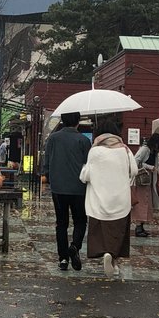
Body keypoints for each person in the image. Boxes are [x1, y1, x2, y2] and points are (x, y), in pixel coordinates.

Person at [79, 116, 138, 278]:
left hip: (99, 199)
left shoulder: (95, 150)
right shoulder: (125, 150)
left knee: (100, 229)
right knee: (118, 229)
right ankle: (113, 259)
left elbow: (86, 176)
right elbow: (134, 171)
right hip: (121, 198)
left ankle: (105, 252)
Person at [40, 111, 90, 271]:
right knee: (80, 221)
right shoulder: (84, 140)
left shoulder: (53, 138)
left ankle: (63, 259)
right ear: (78, 122)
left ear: (62, 121)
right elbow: (88, 164)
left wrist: (50, 177)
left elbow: (46, 161)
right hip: (79, 188)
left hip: (58, 187)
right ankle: (74, 246)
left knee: (61, 224)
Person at [132, 133, 159, 237]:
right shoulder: (145, 149)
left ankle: (141, 226)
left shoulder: (152, 151)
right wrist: (149, 167)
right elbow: (136, 160)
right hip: (142, 180)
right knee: (141, 203)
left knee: (146, 203)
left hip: (147, 180)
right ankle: (138, 227)